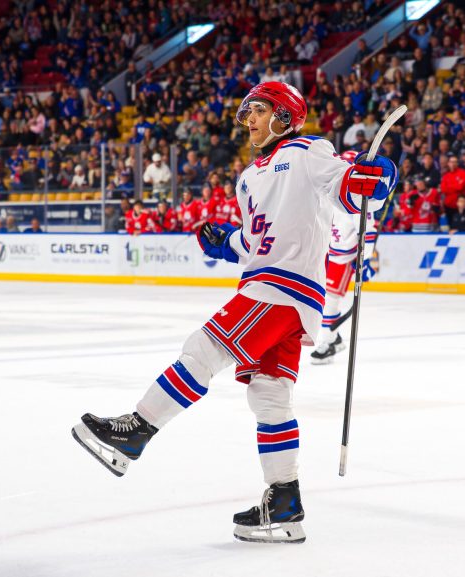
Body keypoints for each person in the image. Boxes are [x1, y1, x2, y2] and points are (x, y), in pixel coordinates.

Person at [71, 81, 397, 544]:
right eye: (247, 113)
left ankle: (137, 430)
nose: (249, 121)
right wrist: (226, 242)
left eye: (260, 111)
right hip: (275, 290)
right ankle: (284, 504)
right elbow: (254, 241)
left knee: (202, 349)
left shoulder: (308, 150)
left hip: (282, 290)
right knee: (268, 397)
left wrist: (372, 180)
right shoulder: (248, 177)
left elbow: (349, 189)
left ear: (285, 118)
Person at [311, 151, 377, 364]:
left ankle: (328, 342)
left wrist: (365, 261)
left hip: (343, 257)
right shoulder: (328, 190)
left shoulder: (358, 197)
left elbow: (367, 232)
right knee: (320, 298)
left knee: (330, 299)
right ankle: (334, 338)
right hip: (326, 252)